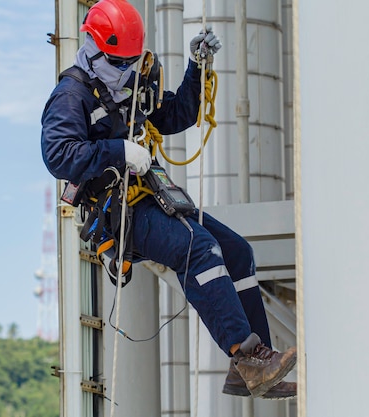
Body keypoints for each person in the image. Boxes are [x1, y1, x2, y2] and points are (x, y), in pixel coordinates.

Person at [41, 0, 296, 399]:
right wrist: (117, 151)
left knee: (237, 251)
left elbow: (177, 114)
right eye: (118, 63)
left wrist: (198, 67)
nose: (126, 71)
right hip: (119, 213)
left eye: (130, 62)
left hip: (149, 195)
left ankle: (255, 366)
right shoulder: (72, 95)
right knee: (200, 247)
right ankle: (245, 355)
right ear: (92, 48)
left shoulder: (127, 85)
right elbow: (58, 155)